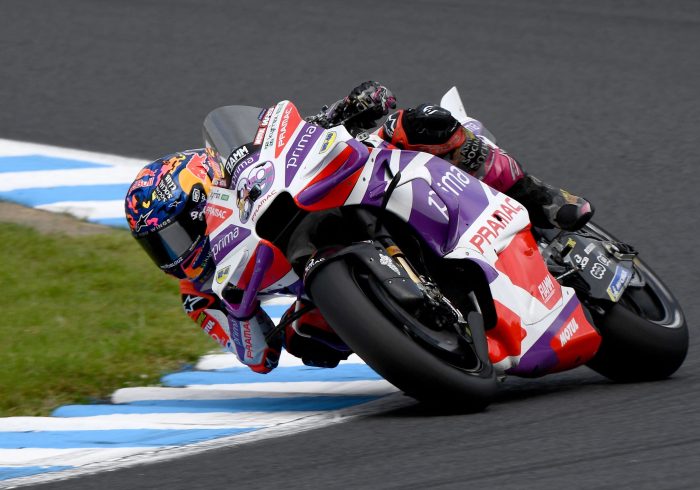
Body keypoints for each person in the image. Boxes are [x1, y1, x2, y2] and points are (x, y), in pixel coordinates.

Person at [124, 82, 593, 375]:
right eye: (157, 246)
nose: (173, 254)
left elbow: (296, 138)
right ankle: (414, 334)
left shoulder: (246, 177)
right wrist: (239, 311)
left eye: (176, 235)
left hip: (349, 187)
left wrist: (349, 107)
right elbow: (258, 357)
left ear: (205, 198)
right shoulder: (198, 291)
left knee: (418, 123)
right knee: (305, 340)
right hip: (316, 276)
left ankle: (539, 195)